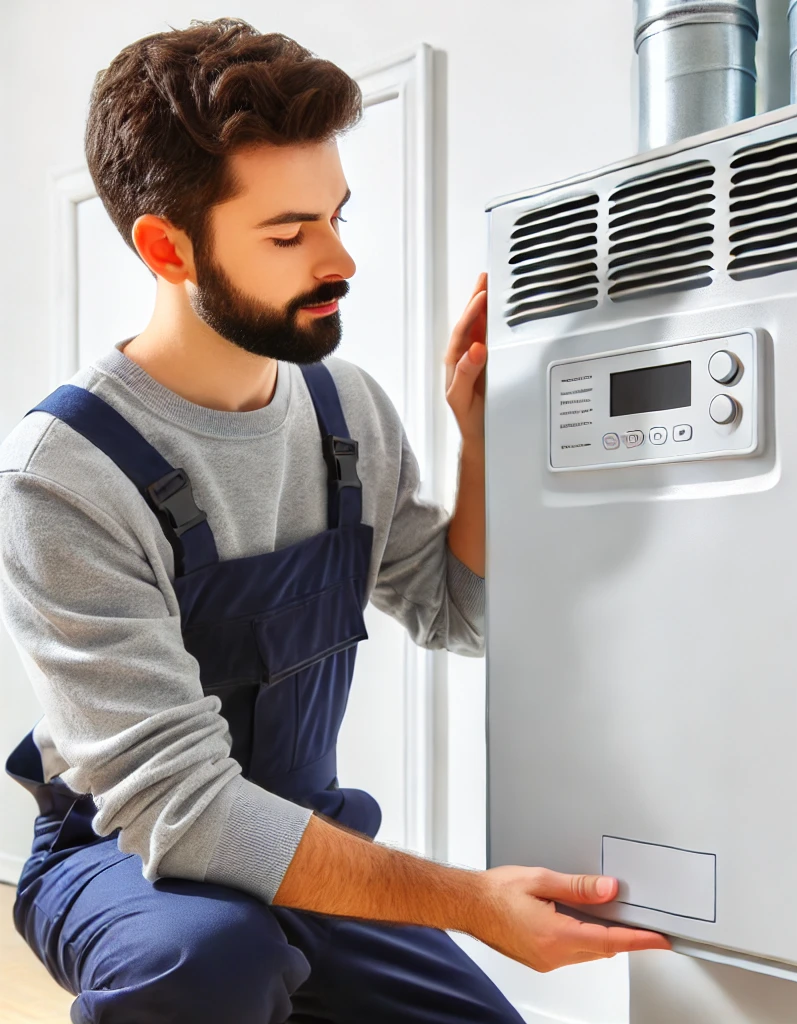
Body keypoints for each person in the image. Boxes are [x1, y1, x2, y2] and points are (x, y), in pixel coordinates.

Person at [0, 18, 670, 1024]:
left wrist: (478, 447)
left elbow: (460, 614)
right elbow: (182, 810)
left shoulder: (343, 408)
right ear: (165, 247)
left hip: (307, 833)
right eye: (286, 234)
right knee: (208, 960)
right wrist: (474, 902)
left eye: (336, 216)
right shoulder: (64, 476)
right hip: (122, 854)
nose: (337, 259)